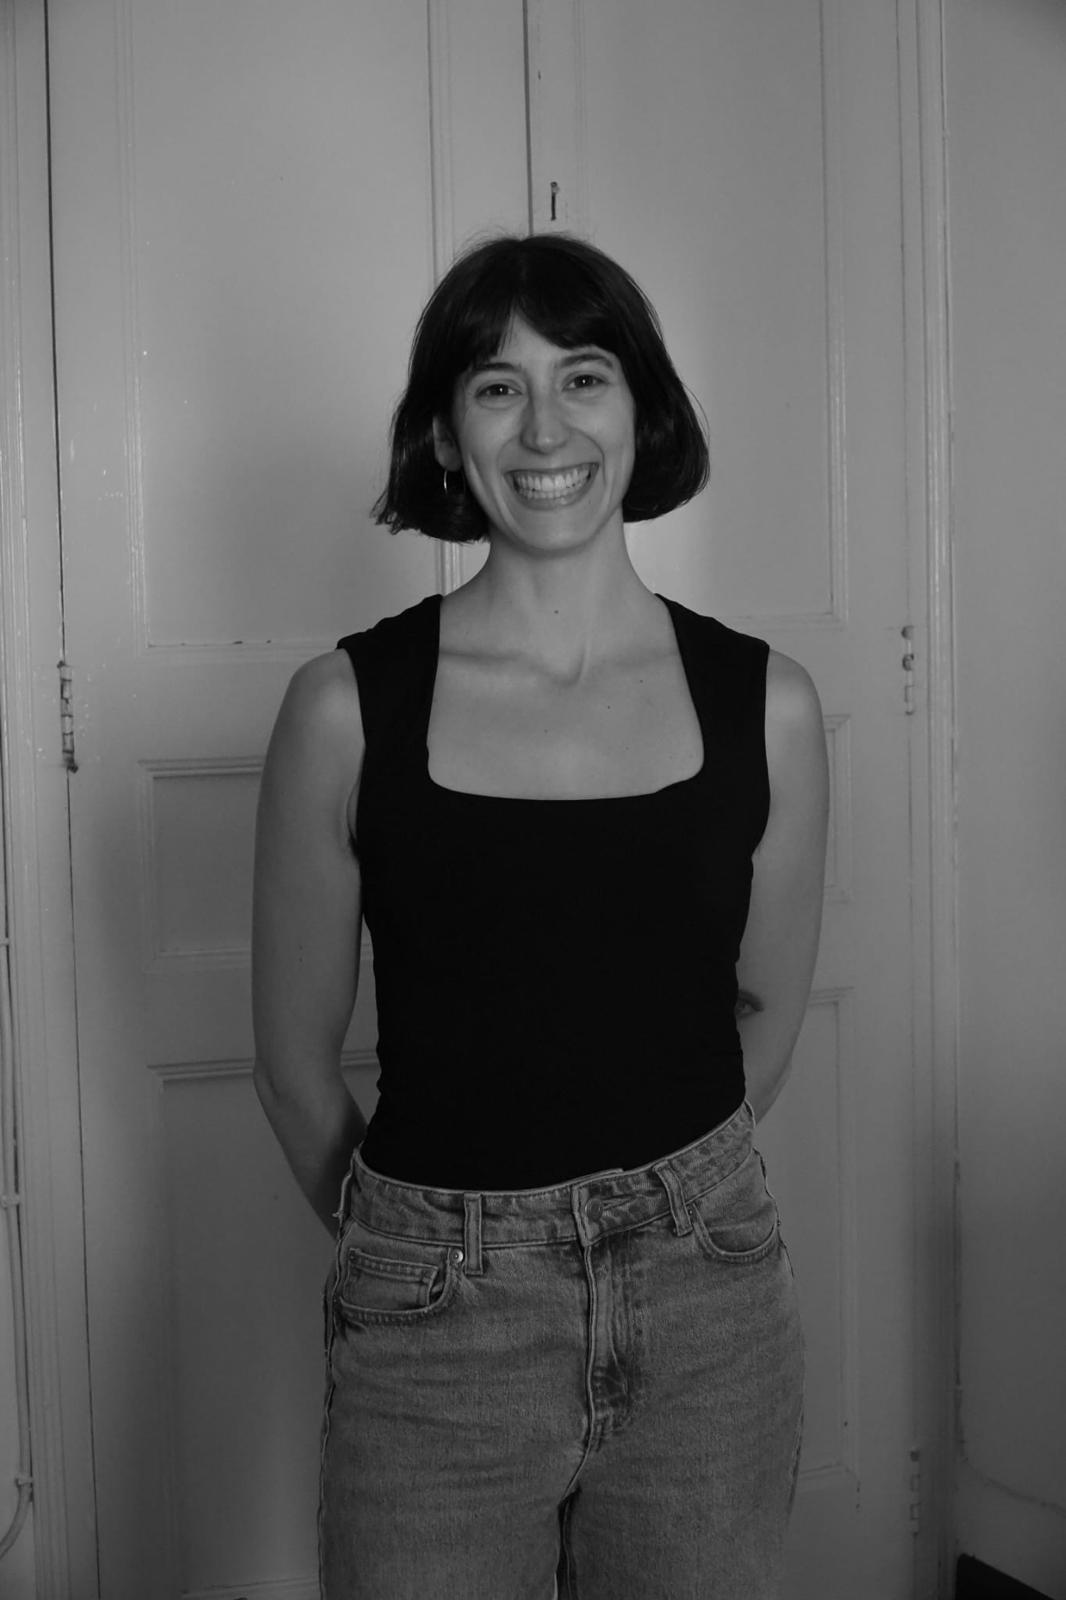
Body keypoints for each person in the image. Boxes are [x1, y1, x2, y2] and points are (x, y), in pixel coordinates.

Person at [251, 232, 829, 1600]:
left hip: (710, 1309)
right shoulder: (341, 710)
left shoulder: (772, 706)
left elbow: (763, 1018)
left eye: (583, 376)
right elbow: (291, 1066)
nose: (547, 428)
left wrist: (659, 1206)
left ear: (642, 410)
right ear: (445, 436)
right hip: (433, 1333)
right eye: (497, 387)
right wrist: (432, 1253)